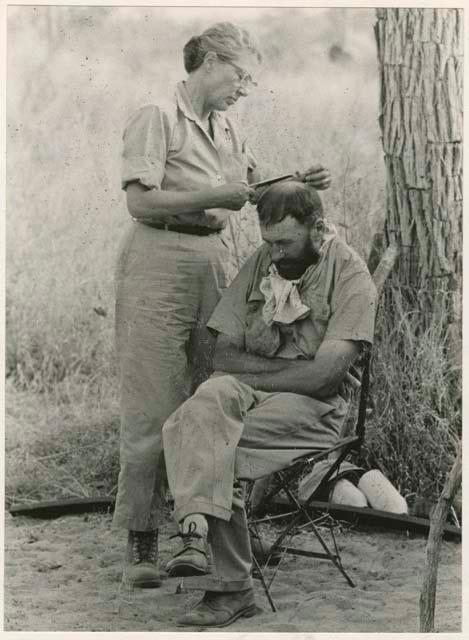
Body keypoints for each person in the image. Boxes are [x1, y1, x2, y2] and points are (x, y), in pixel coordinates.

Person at [114, 21, 332, 589]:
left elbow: (253, 192)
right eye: (240, 74)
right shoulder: (158, 115)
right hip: (158, 257)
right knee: (152, 399)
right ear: (209, 61)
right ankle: (141, 539)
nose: (245, 87)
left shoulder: (227, 127)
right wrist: (216, 195)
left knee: (208, 390)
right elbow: (140, 200)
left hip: (211, 259)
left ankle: (203, 535)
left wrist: (297, 179)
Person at [162, 181, 377, 627]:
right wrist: (273, 372)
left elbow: (323, 378)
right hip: (249, 392)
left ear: (317, 229)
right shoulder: (263, 261)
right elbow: (221, 355)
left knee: (214, 445)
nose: (274, 255)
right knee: (202, 405)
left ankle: (231, 588)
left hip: (313, 410)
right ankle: (197, 533)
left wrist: (259, 370)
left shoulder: (352, 276)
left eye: (285, 242)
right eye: (268, 242)